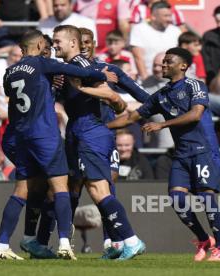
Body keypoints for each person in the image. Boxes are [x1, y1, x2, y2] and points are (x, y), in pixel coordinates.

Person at [0, 29, 117, 260]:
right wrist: (100, 75)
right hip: (44, 135)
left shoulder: (9, 72)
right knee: (60, 187)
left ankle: (1, 245)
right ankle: (63, 243)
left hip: (20, 137)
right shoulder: (43, 63)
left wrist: (50, 84)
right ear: (40, 46)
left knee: (22, 191)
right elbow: (76, 70)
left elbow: (26, 94)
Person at [108, 47, 220, 261]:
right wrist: (102, 127)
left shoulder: (195, 85)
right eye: (163, 61)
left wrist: (162, 124)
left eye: (168, 61)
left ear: (183, 66)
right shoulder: (161, 95)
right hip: (182, 154)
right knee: (176, 198)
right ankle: (203, 239)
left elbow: (195, 114)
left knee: (206, 198)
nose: (163, 64)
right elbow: (131, 118)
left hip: (204, 151)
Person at [52, 25, 145, 260]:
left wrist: (82, 87)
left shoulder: (83, 66)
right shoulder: (69, 68)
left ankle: (130, 240)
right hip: (78, 130)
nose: (55, 45)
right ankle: (117, 242)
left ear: (72, 43)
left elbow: (110, 95)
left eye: (57, 41)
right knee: (85, 188)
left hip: (90, 132)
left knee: (98, 189)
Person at [130, 1, 181, 81]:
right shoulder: (139, 29)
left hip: (171, 81)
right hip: (148, 80)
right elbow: (138, 57)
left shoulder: (176, 31)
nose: (169, 19)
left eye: (170, 16)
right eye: (166, 16)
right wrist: (146, 81)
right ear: (153, 16)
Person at [141, 52, 174, 149]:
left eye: (160, 66)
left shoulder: (185, 80)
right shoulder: (147, 82)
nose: (156, 69)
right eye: (154, 65)